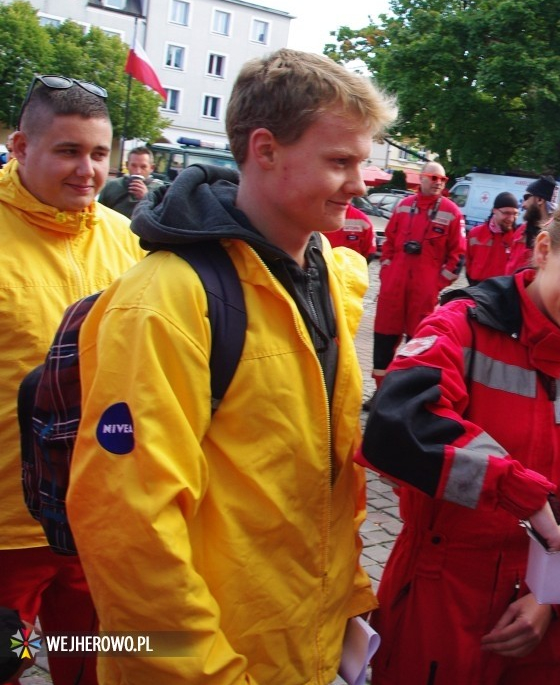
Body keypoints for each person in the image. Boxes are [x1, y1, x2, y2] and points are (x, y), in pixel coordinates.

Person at [66, 49, 396, 683]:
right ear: (266, 150)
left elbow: (317, 485)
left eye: (362, 162)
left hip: (298, 645)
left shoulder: (323, 272)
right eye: (341, 162)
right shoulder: (165, 301)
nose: (360, 184)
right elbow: (131, 537)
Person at [358, 184, 560, 685]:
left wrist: (550, 595)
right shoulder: (460, 328)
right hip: (445, 591)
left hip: (549, 617)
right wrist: (523, 494)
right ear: (542, 250)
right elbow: (394, 424)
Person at [0, 75, 144, 685]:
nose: (88, 170)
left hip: (96, 523)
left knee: (90, 669)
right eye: (67, 151)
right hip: (7, 533)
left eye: (98, 153)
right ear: (20, 147)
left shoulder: (130, 238)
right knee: (10, 660)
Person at [370, 160, 465, 392]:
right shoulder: (403, 206)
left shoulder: (451, 212)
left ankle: (404, 396)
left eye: (443, 180)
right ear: (421, 178)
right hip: (393, 290)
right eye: (434, 178)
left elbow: (458, 257)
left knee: (417, 347)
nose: (439, 183)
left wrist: (436, 283)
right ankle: (380, 392)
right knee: (383, 344)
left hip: (423, 294)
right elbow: (389, 242)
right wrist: (388, 269)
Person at [506, 174, 557, 274]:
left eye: (526, 198)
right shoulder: (521, 230)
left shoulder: (557, 237)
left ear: (540, 200)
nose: (523, 205)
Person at [466, 190, 518, 285]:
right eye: (506, 213)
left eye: (515, 214)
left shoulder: (517, 238)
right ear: (494, 210)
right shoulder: (475, 233)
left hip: (502, 291)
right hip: (477, 288)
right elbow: (467, 262)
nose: (511, 218)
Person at [97, 145, 164, 218]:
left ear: (151, 168)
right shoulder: (112, 186)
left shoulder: (159, 190)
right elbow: (98, 214)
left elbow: (160, 220)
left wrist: (146, 198)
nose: (138, 171)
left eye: (143, 167)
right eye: (133, 166)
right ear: (127, 165)